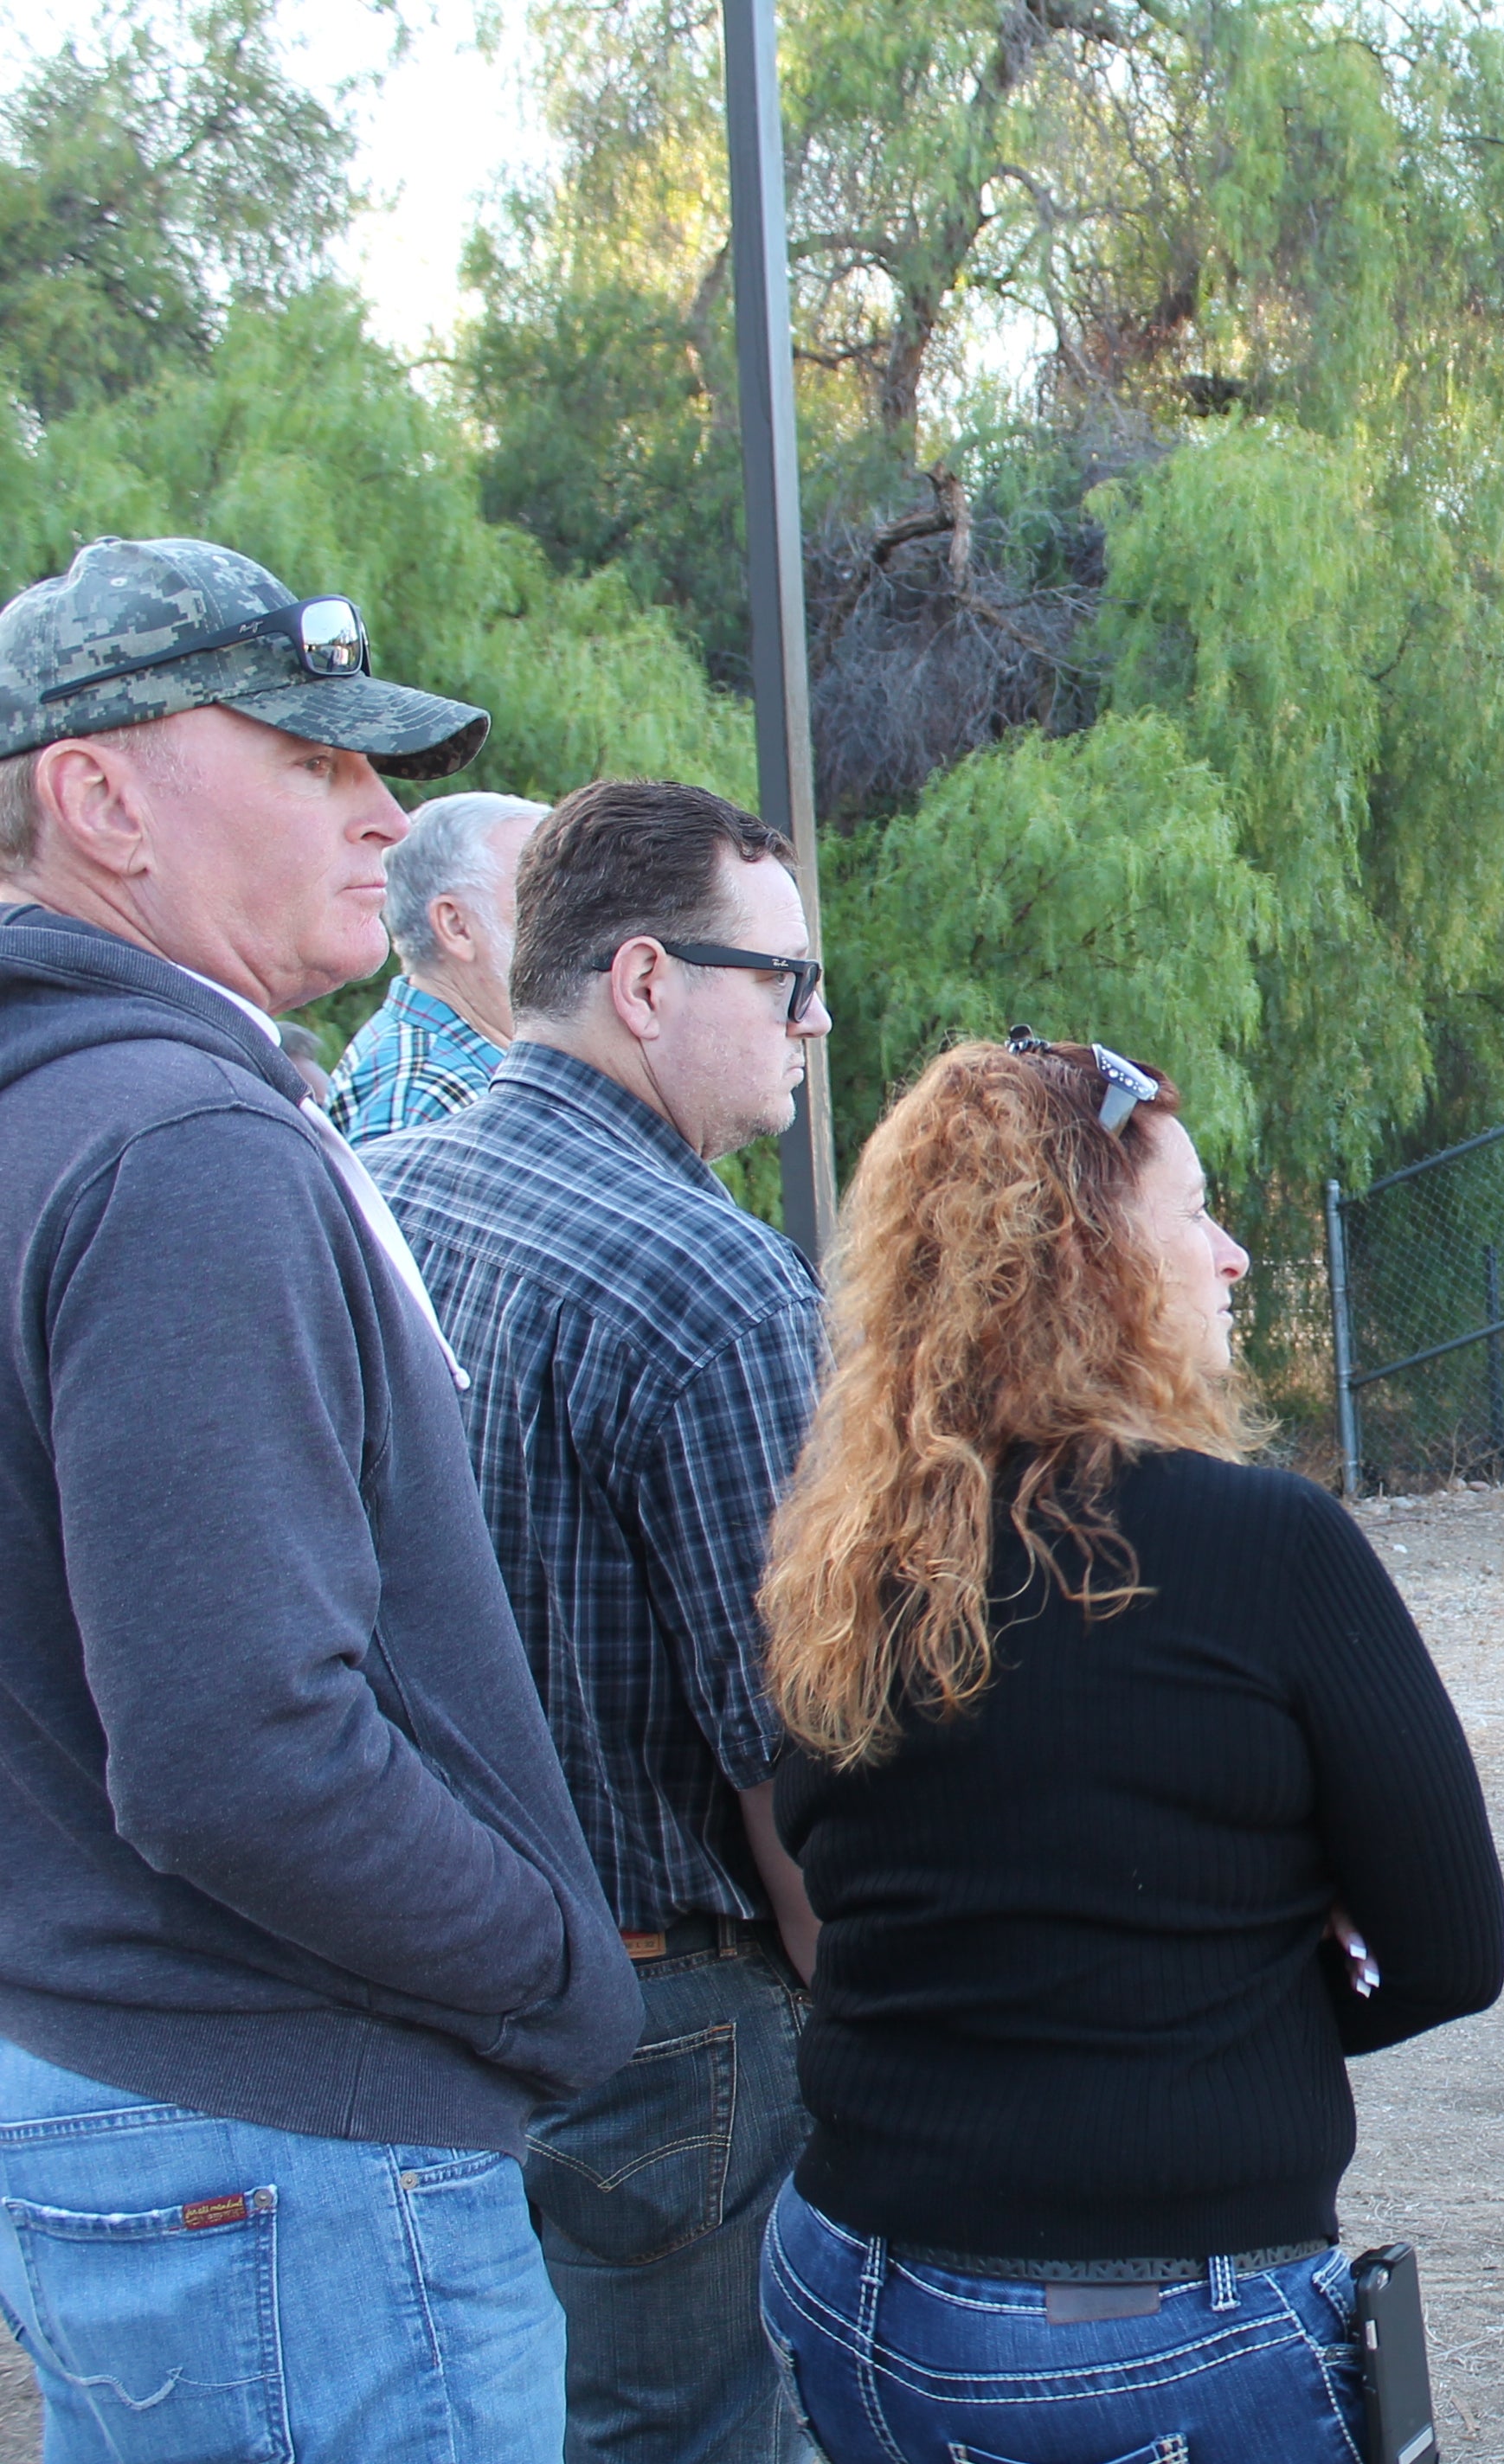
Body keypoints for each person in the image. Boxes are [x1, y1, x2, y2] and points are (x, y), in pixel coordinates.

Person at [0, 535, 639, 2457]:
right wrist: (559, 1978)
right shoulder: (182, 1148)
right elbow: (236, 1748)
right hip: (294, 2147)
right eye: (306, 758)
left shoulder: (71, 1110)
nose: (383, 811)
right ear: (96, 794)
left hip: (143, 2085)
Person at [755, 1033, 1504, 2464]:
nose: (1229, 1256)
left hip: (848, 2279)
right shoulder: (1268, 1547)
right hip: (1138, 2333)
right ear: (1087, 1259)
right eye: (1194, 1212)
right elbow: (1451, 1949)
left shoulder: (854, 1551)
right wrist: (1210, 1998)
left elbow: (840, 1854)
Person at [371, 778, 834, 2464]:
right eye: (782, 975)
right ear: (646, 982)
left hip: (421, 1985)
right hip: (669, 2029)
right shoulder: (719, 1293)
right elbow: (800, 1752)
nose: (817, 1014)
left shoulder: (379, 1195)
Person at [329, 788, 550, 1139]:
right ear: (456, 926)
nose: (577, 928)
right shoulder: (435, 1093)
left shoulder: (452, 1064)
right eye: (543, 903)